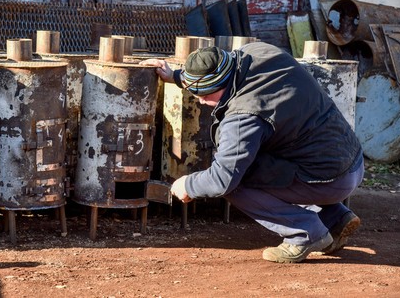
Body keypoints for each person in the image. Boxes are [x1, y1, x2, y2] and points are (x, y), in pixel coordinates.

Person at [140, 42, 364, 263]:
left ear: (222, 84)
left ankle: (304, 234)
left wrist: (188, 184)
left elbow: (222, 179)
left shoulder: (243, 116)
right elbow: (214, 73)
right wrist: (178, 76)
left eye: (206, 94)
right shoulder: (257, 52)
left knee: (236, 183)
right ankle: (335, 218)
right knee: (265, 156)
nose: (201, 100)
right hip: (350, 160)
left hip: (330, 179)